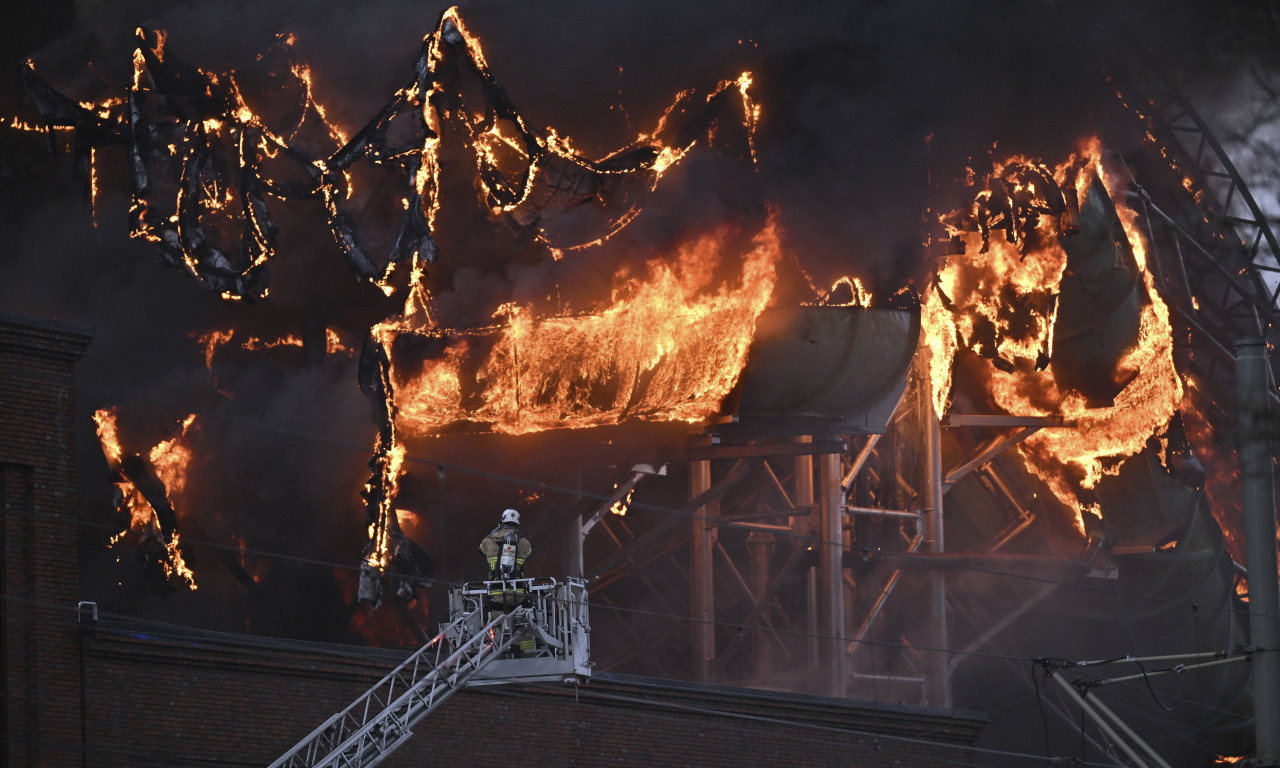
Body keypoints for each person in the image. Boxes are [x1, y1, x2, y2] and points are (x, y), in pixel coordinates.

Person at [479, 508, 534, 656]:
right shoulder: (524, 543)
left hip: (497, 594)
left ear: (502, 520)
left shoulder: (488, 541)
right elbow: (528, 553)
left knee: (497, 628)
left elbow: (481, 550)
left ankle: (497, 654)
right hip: (519, 595)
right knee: (523, 627)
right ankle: (528, 655)